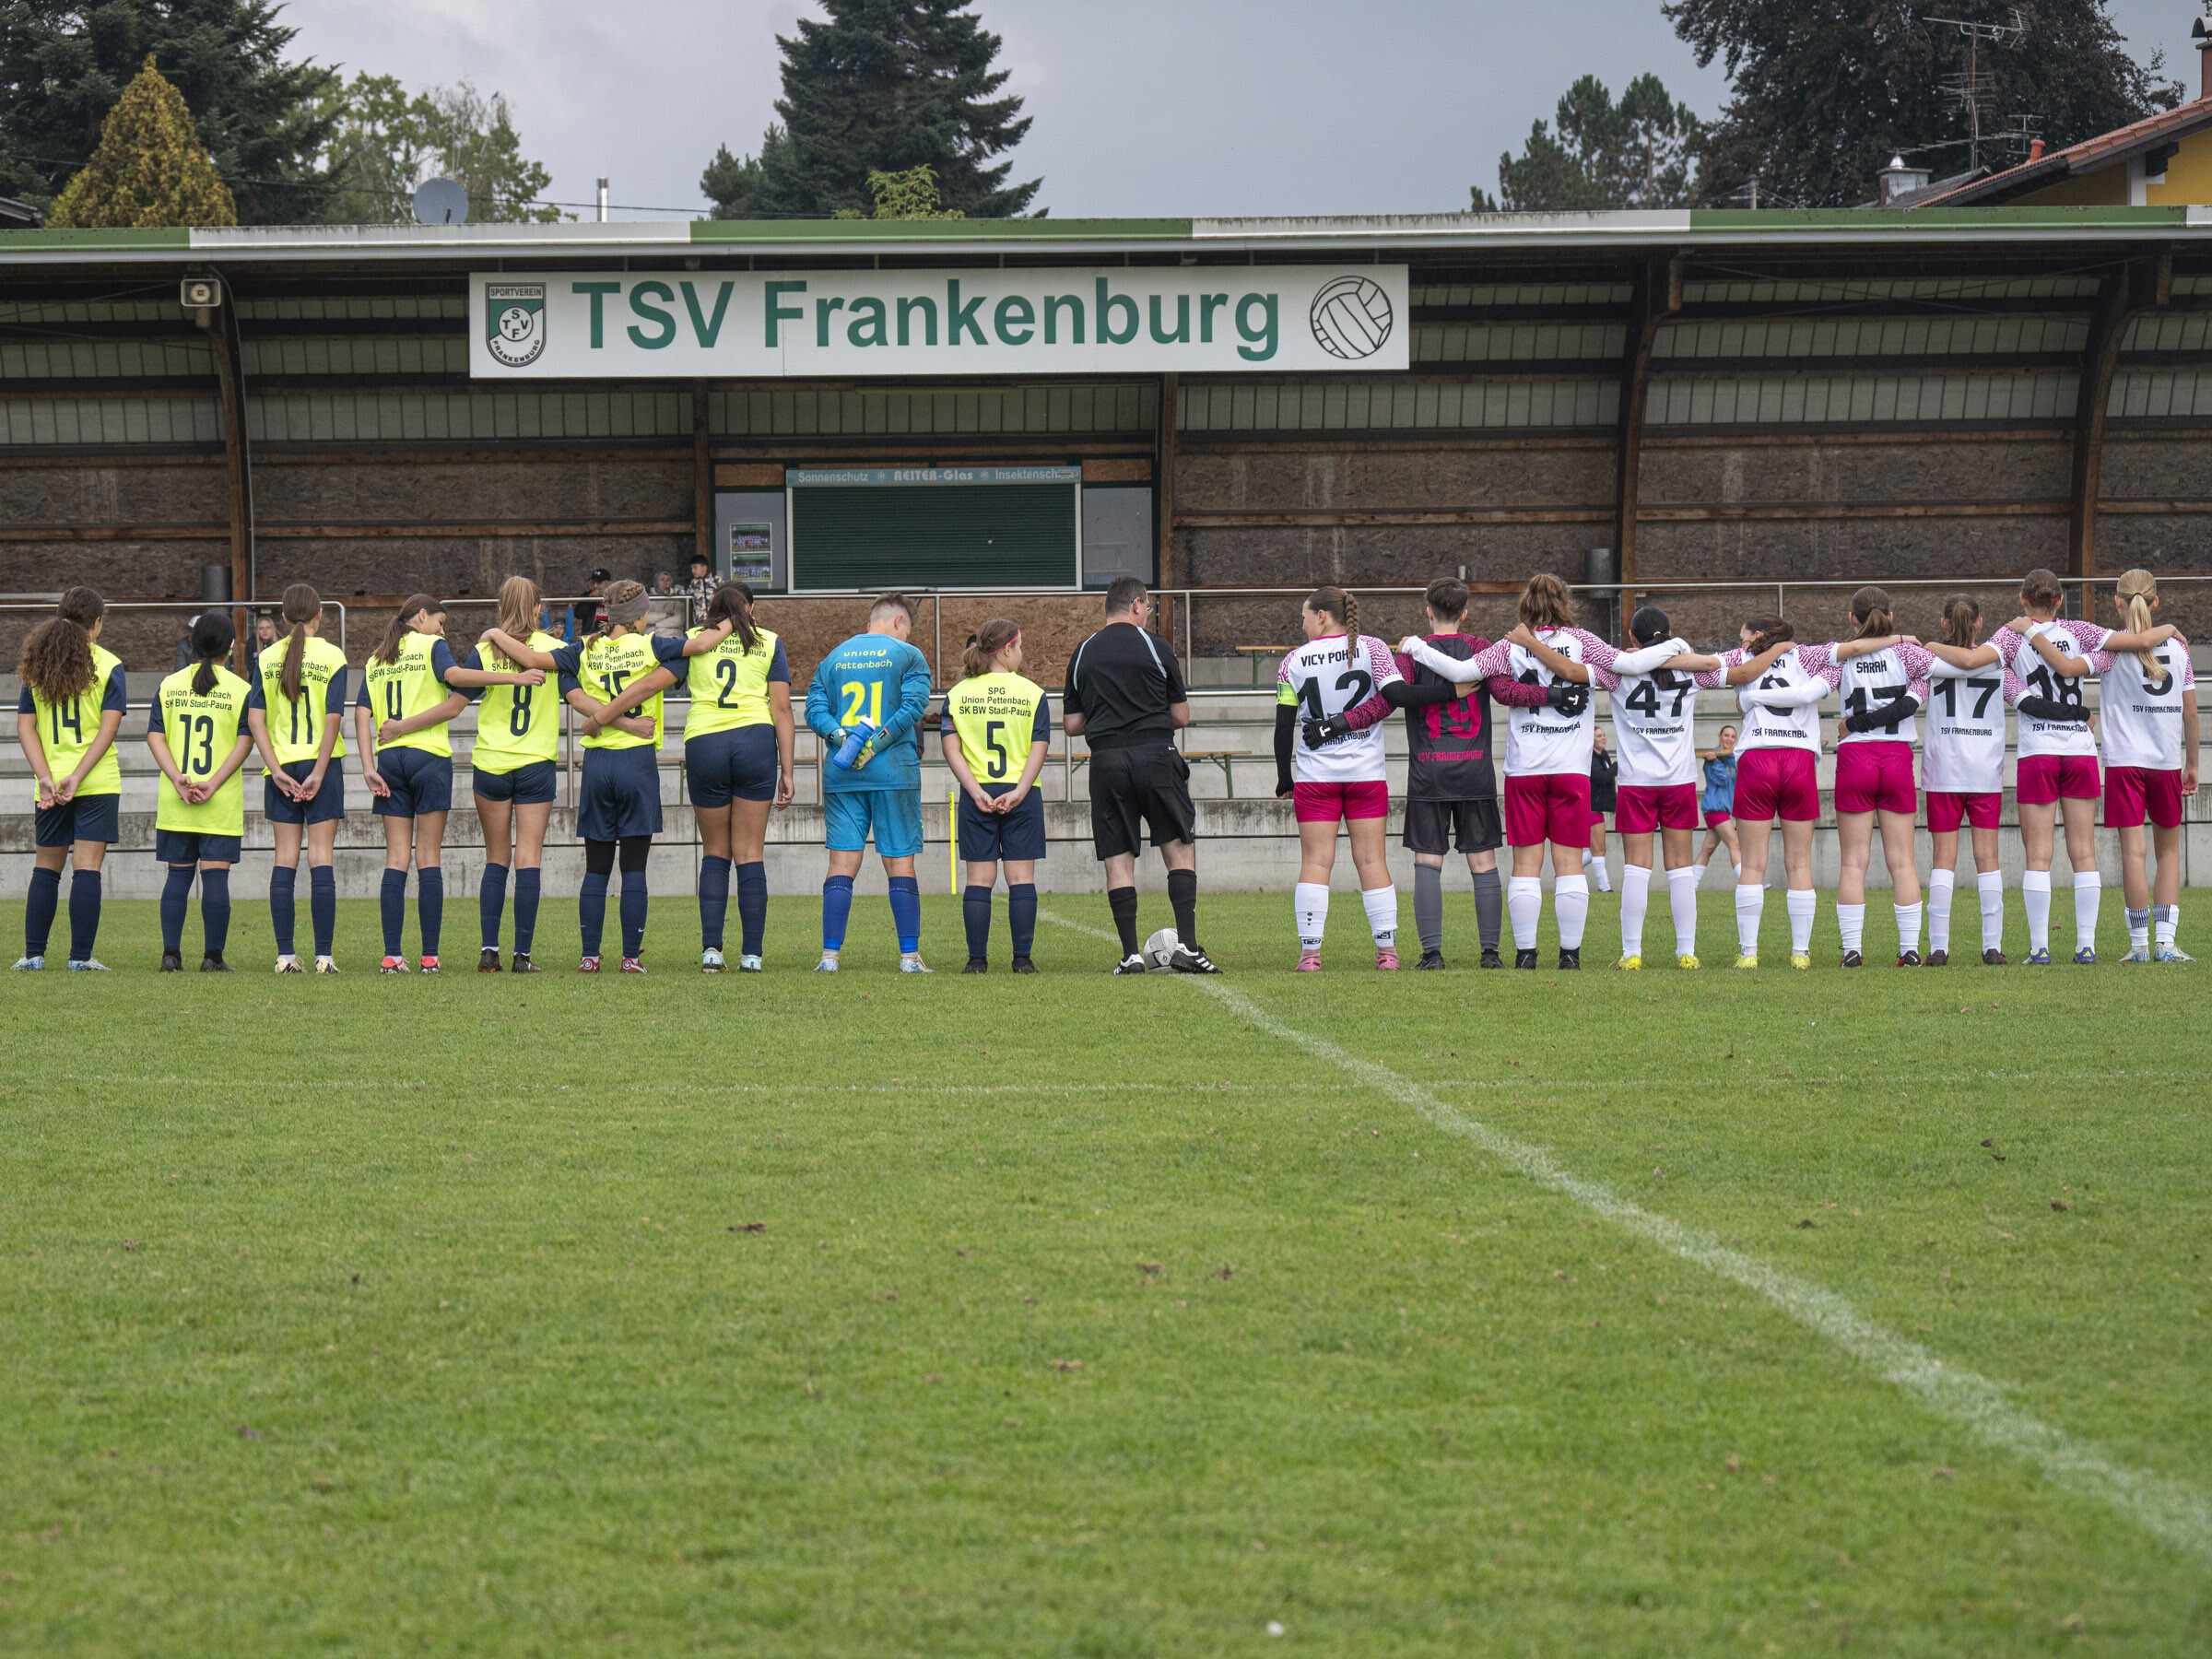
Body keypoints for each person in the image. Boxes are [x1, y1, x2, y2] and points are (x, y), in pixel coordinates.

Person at [1398, 572, 1682, 970]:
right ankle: (1569, 956)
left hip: (1525, 768)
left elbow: (1461, 673)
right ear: (1565, 604)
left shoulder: (1509, 645)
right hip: (1571, 769)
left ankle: (1526, 955)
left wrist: (1415, 646)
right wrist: (1677, 646)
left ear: (1525, 605)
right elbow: (1629, 663)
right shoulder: (1583, 641)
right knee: (1569, 864)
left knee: (1526, 866)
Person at [1327, 576, 1545, 971]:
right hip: (1475, 770)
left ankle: (1432, 955)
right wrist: (1554, 694)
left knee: (1428, 862)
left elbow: (1385, 703)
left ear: (1428, 611)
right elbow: (1507, 693)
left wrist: (1341, 723)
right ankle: (1490, 954)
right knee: (1484, 862)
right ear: (1464, 613)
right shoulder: (1481, 649)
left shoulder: (1411, 654)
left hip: (1429, 772)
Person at [487, 580, 696, 972]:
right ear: (639, 615)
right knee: (634, 868)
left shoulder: (584, 649)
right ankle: (630, 958)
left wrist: (495, 633)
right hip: (636, 761)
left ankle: (589, 957)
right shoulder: (652, 645)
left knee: (596, 869)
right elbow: (695, 649)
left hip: (597, 764)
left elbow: (536, 662)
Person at [589, 581, 793, 971]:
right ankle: (752, 956)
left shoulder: (696, 638)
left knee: (715, 851)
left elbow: (653, 682)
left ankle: (712, 951)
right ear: (749, 609)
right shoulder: (769, 640)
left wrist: (603, 715)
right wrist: (787, 768)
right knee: (750, 853)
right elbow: (782, 709)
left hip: (705, 742)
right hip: (754, 741)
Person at [1518, 606, 1719, 968]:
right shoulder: (1691, 672)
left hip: (1636, 782)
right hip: (1678, 780)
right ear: (1669, 633)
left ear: (1631, 638)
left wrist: (1530, 642)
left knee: (1636, 869)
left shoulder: (1616, 673)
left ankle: (1632, 953)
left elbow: (1569, 671)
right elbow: (1730, 668)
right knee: (1680, 868)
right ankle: (1686, 952)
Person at [1993, 567, 2175, 965]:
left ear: (2023, 599)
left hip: (2038, 750)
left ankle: (2039, 948)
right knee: (2084, 852)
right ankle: (2086, 946)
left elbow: (1980, 662)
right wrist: (2170, 629)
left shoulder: (2010, 635)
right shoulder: (2081, 630)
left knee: (2038, 855)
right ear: (2060, 600)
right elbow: (2137, 641)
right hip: (2079, 749)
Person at [357, 594, 544, 973]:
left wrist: (367, 767)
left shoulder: (377, 658)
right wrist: (514, 676)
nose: (443, 631)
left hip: (389, 760)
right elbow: (456, 678)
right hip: (428, 756)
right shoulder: (432, 646)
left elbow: (362, 713)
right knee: (428, 857)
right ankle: (429, 957)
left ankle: (392, 956)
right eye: (440, 622)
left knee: (396, 859)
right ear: (422, 615)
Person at [1065, 576, 1217, 974]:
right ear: (1136, 605)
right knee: (1177, 847)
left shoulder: (1083, 651)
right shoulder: (1155, 645)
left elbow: (1071, 723)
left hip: (1107, 761)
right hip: (1155, 755)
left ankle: (1131, 956)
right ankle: (1188, 947)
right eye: (1147, 607)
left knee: (1118, 858)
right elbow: (1181, 715)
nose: (1147, 614)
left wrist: (1108, 716)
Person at [1275, 587, 1405, 971]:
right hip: (1366, 774)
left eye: (1304, 617)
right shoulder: (1373, 647)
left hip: (1316, 777)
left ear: (1321, 616)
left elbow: (1283, 727)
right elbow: (1393, 696)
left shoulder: (1292, 661)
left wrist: (1284, 779)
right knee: (1372, 859)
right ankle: (1387, 953)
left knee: (1316, 862)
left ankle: (1310, 956)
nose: (1302, 625)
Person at [804, 592, 935, 972]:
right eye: (906, 630)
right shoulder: (908, 655)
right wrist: (877, 743)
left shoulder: (834, 658)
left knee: (841, 862)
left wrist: (840, 736)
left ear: (869, 624)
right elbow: (914, 706)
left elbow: (814, 709)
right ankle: (909, 958)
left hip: (843, 770)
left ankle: (829, 958)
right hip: (893, 771)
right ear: (898, 622)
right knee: (900, 863)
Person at [1693, 619, 1825, 970]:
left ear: (1757, 636)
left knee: (1752, 863)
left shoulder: (1742, 658)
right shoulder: (1808, 656)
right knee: (1799, 863)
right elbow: (1853, 649)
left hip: (1757, 757)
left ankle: (1749, 953)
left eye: (1743, 637)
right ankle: (1800, 954)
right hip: (1798, 759)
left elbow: (1703, 667)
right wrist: (1897, 638)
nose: (1740, 643)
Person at [13, 585, 126, 971]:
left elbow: (25, 728)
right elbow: (108, 729)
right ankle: (80, 958)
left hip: (51, 781)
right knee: (87, 866)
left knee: (46, 866)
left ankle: (33, 955)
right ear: (97, 623)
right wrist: (78, 776)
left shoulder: (37, 663)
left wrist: (46, 777)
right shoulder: (109, 664)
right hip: (96, 781)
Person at [2087, 571, 2197, 961]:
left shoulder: (2109, 649)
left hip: (2124, 763)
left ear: (2117, 602)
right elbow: (2190, 715)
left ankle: (2139, 947)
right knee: (2168, 853)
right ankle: (2165, 943)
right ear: (2156, 602)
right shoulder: (2179, 650)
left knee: (2133, 853)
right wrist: (2192, 763)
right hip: (2165, 761)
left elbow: (2070, 669)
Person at [1823, 586, 1936, 967]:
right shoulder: (1909, 654)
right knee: (1902, 861)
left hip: (1856, 756)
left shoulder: (1840, 655)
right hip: (1896, 757)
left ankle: (1852, 951)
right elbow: (1941, 671)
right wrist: (1901, 639)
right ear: (1890, 617)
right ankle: (1910, 949)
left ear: (1851, 618)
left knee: (1853, 862)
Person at [1909, 594, 2019, 966]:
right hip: (1985, 771)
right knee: (1988, 857)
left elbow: (1908, 699)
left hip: (1943, 769)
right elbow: (2027, 699)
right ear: (1980, 623)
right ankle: (1992, 946)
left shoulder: (1930, 663)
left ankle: (1939, 948)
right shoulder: (1998, 664)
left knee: (1943, 858)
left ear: (1944, 624)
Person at [466, 576, 569, 973]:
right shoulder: (556, 649)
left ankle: (488, 951)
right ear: (538, 609)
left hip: (491, 763)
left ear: (501, 608)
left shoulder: (484, 650)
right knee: (529, 859)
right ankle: (522, 956)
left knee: (496, 858)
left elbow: (455, 697)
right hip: (535, 764)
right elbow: (576, 696)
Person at [245, 583, 347, 973]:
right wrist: (319, 771)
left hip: (283, 768)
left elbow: (255, 719)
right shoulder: (332, 655)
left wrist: (275, 770)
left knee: (284, 860)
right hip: (322, 767)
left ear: (284, 618)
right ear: (320, 614)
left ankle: (285, 956)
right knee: (321, 859)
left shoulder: (267, 657)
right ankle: (324, 957)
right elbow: (333, 719)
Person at [145, 610, 253, 972]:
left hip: (177, 799)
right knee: (216, 877)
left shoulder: (170, 684)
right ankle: (213, 958)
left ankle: (171, 956)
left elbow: (155, 736)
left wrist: (178, 778)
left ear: (192, 643)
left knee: (178, 876)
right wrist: (215, 782)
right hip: (218, 801)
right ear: (231, 647)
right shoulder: (241, 690)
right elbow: (245, 741)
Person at [942, 618, 1051, 973]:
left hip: (978, 793)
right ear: (1006, 650)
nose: (1021, 653)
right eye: (1019, 646)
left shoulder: (957, 695)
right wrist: (1020, 791)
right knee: (1021, 879)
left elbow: (951, 748)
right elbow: (1039, 747)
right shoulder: (1033, 693)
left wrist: (974, 791)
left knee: (978, 880)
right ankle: (1022, 960)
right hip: (1022, 793)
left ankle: (977, 961)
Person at [1696, 726, 1741, 887]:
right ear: (1720, 736)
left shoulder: (1733, 758)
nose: (1729, 739)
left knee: (1707, 849)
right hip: (1715, 808)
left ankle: (1691, 886)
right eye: (1726, 735)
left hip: (1724, 809)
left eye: (1733, 736)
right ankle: (1748, 881)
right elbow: (1722, 780)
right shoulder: (1711, 757)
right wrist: (1715, 761)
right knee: (1734, 843)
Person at [1585, 726, 1617, 895]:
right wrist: (1616, 767)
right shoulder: (1590, 758)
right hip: (1592, 807)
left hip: (1599, 807)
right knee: (1599, 850)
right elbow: (1601, 777)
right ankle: (1604, 887)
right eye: (1599, 736)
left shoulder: (1603, 755)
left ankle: (1568, 868)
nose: (1603, 738)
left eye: (1604, 735)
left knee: (1596, 849)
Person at [576, 569, 611, 637]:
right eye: (593, 583)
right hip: (589, 636)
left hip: (609, 637)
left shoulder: (615, 596)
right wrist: (590, 599)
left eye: (599, 583)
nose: (595, 586)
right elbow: (579, 614)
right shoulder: (587, 595)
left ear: (608, 583)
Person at [684, 552, 718, 622]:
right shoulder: (694, 583)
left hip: (715, 620)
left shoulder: (716, 580)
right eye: (692, 568)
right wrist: (671, 591)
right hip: (699, 620)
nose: (692, 570)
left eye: (695, 567)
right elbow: (685, 593)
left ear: (704, 568)